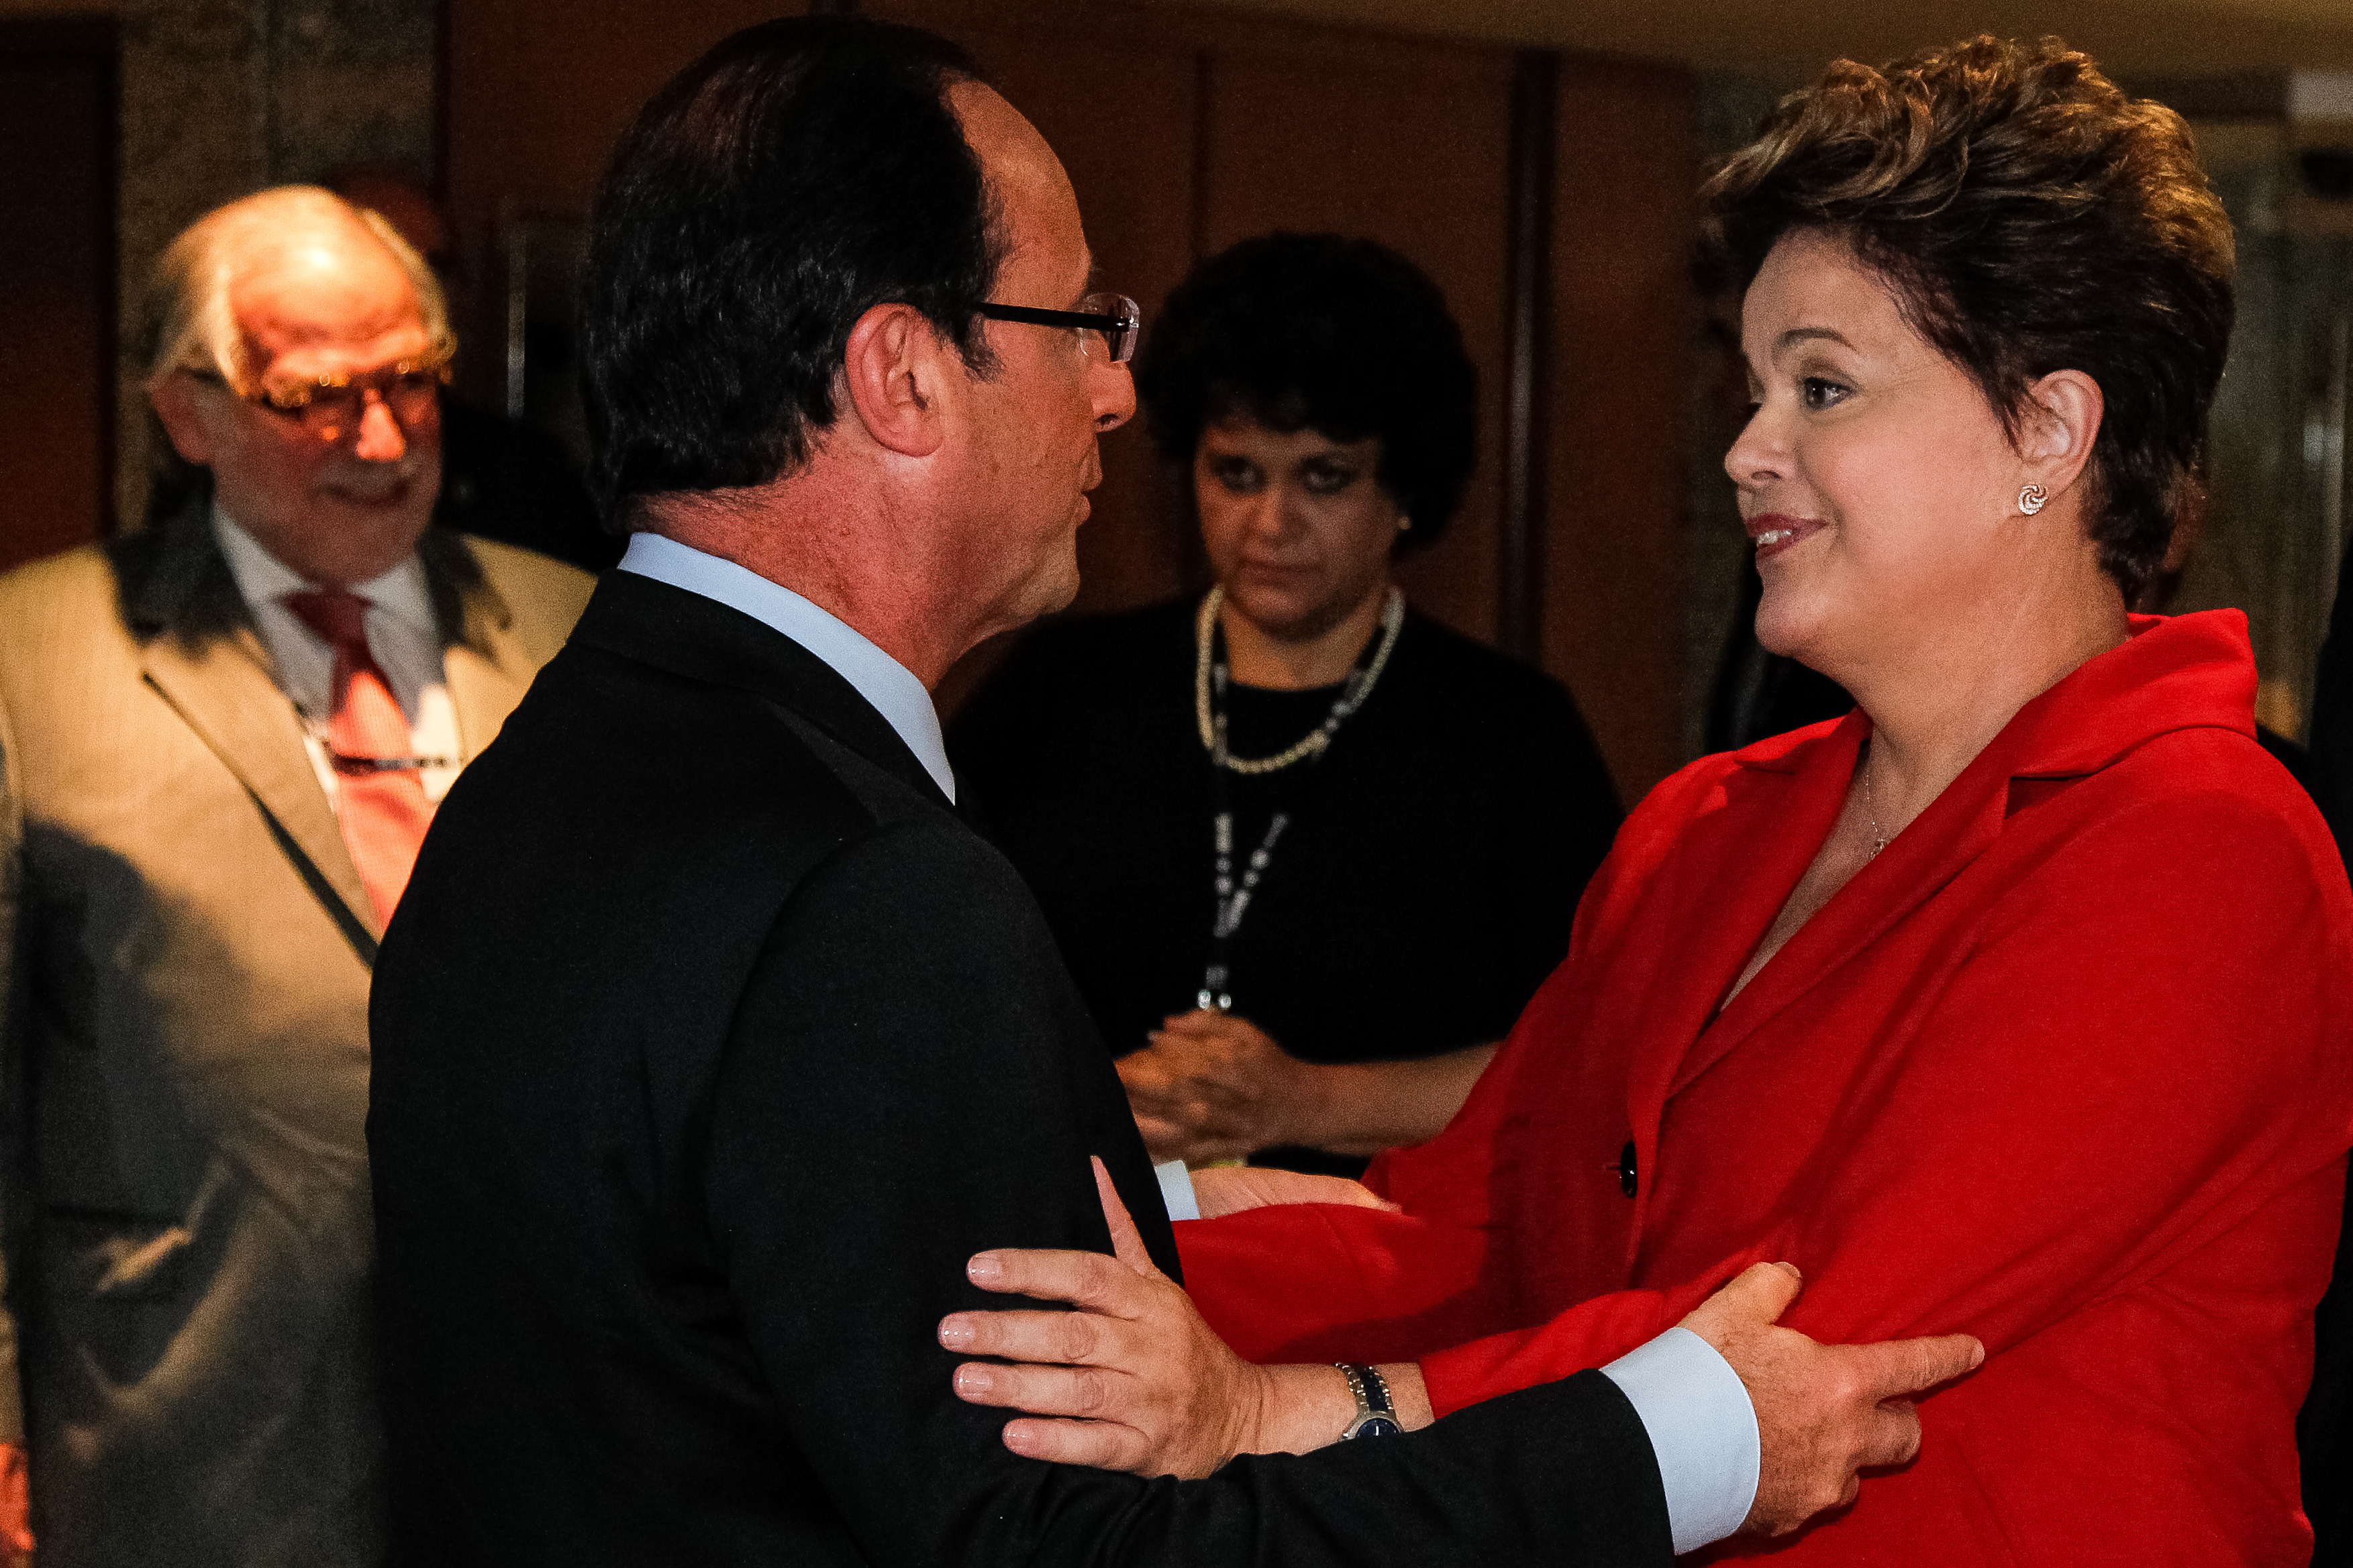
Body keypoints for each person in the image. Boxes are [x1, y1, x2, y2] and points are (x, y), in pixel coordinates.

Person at [364, 18, 1981, 1567]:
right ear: (901, 377)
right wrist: (1673, 1441)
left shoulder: (543, 771)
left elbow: (751, 1251)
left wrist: (1185, 1191)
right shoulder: (868, 883)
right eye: (1083, 328)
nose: (1120, 394)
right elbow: (1078, 1543)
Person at [944, 36, 2353, 1565]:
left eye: (1821, 385)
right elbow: (1462, 1236)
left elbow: (1790, 1356)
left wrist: (1284, 1409)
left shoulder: (2201, 844)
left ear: (2047, 430)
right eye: (1752, 386)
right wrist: (1066, 1258)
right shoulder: (1707, 824)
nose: (1750, 448)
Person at [0, 186, 592, 1568]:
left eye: (409, 379)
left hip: (545, 1445)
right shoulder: (31, 664)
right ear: (186, 411)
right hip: (181, 1445)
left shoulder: (581, 630)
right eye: (315, 395)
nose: (381, 439)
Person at [952, 233, 1620, 1176]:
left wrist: (1305, 1098)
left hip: (1372, 1268)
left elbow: (1588, 1056)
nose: (1270, 523)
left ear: (1404, 490)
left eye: (1324, 477)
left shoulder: (1510, 737)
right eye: (1236, 473)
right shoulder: (1062, 684)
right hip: (1077, 1226)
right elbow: (939, 970)